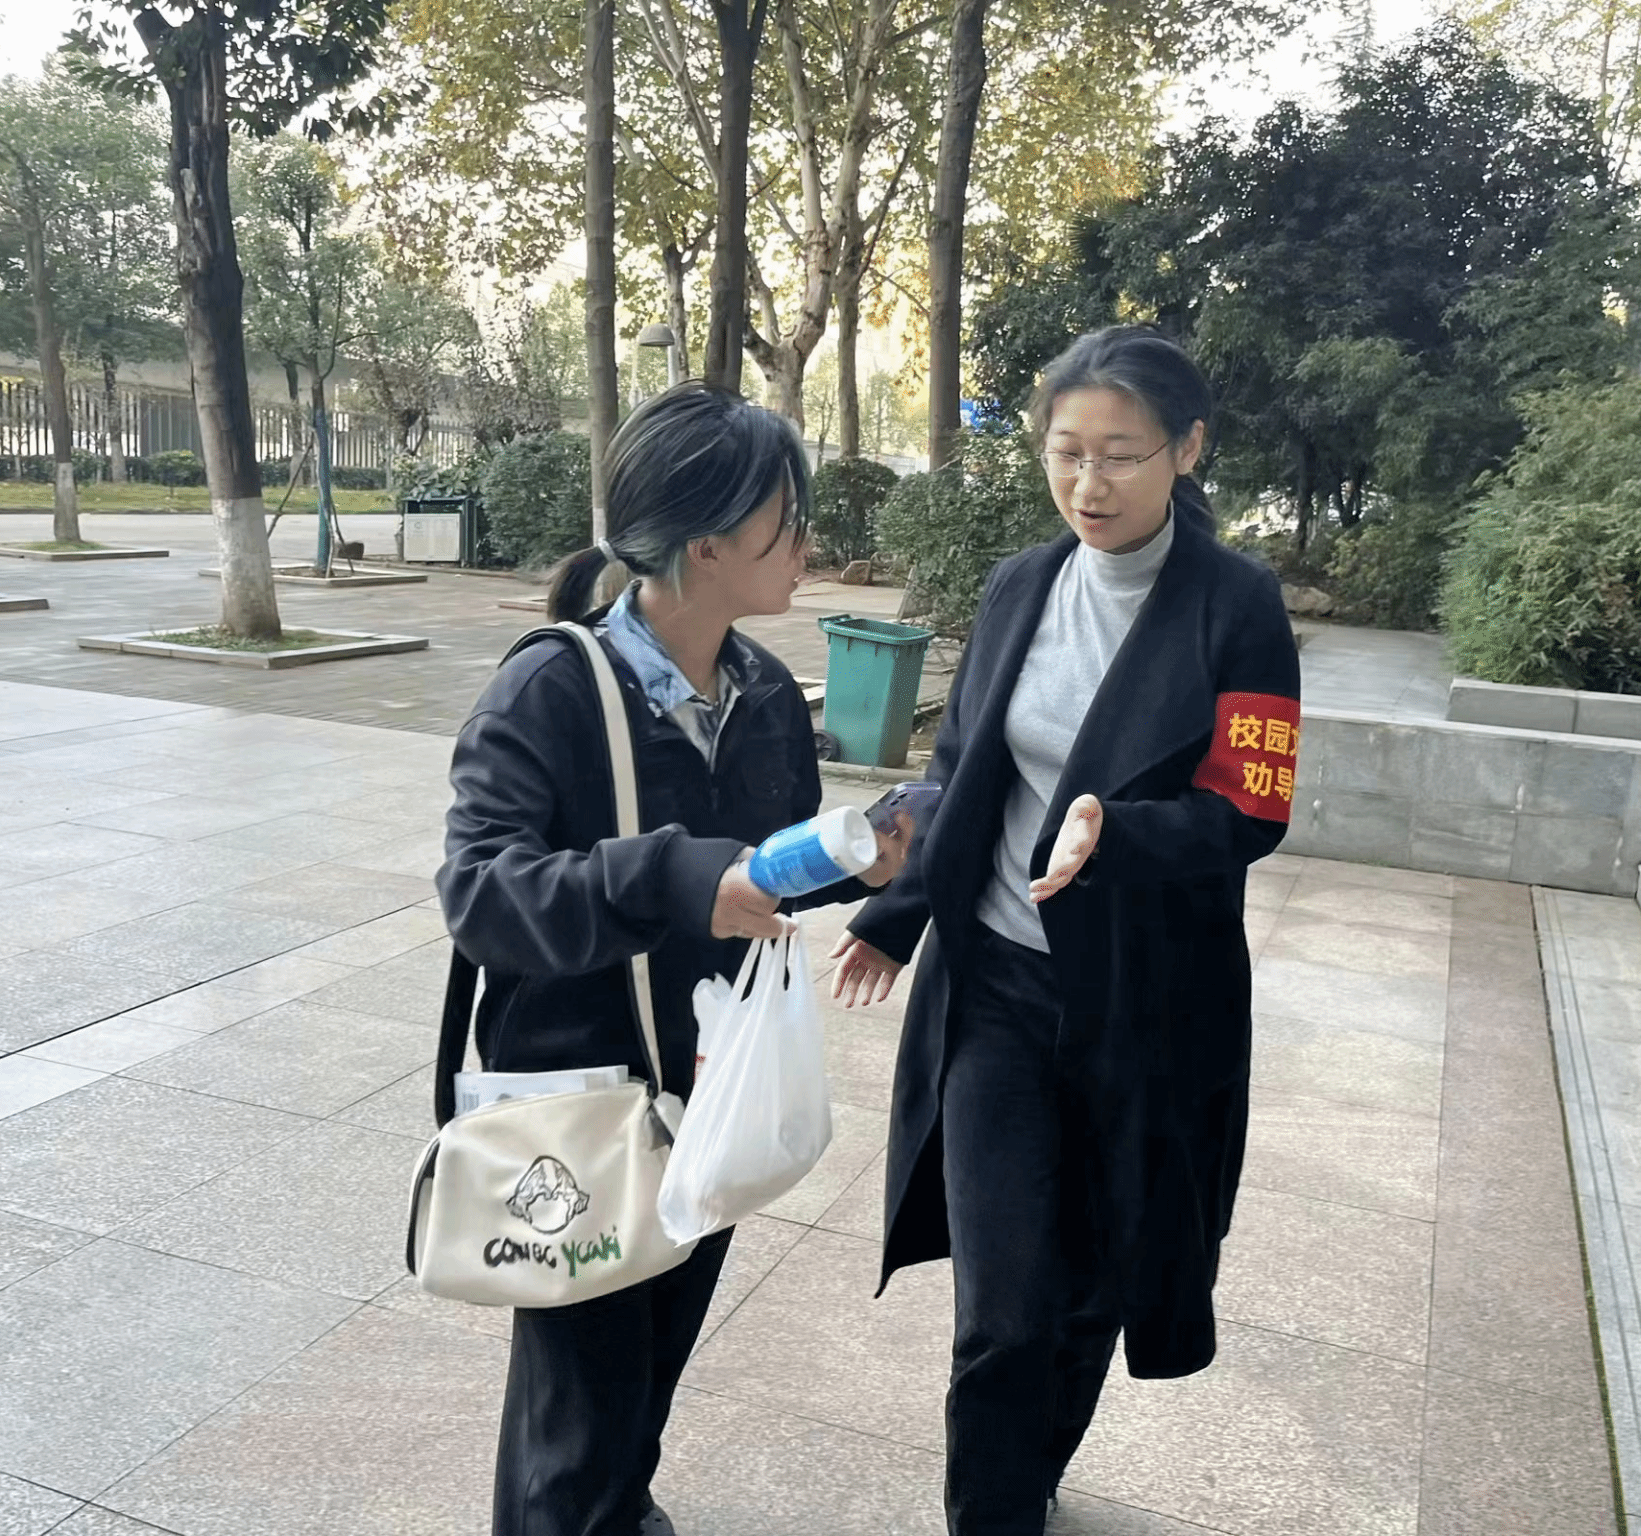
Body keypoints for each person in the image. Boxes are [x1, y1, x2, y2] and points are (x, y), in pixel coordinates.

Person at [831, 327, 1302, 1535]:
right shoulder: (1020, 586)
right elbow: (960, 768)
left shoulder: (1237, 606)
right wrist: (894, 912)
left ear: (1186, 450)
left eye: (1120, 455)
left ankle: (1027, 1474)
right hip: (995, 987)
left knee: (1092, 1284)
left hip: (1143, 1008)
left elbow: (1250, 810)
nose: (1088, 484)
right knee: (1003, 1306)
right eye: (1065, 452)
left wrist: (1117, 829)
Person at [436, 382, 909, 1536]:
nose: (807, 546)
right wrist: (678, 877)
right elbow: (480, 892)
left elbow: (760, 871)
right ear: (707, 544)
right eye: (787, 522)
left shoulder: (763, 696)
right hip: (582, 1108)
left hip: (709, 1088)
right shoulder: (551, 688)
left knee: (648, 1368)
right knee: (574, 1418)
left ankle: (619, 1506)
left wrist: (867, 861)